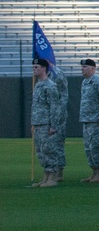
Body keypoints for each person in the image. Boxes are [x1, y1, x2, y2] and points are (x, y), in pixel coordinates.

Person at [30, 58, 62, 188]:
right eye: (33, 67)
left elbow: (54, 107)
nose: (34, 69)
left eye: (36, 67)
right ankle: (46, 176)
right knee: (41, 151)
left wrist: (53, 125)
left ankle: (52, 177)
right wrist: (33, 123)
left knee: (48, 149)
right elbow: (35, 106)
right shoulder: (38, 85)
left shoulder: (50, 86)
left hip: (46, 124)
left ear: (44, 68)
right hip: (38, 122)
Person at [79, 58, 99, 183]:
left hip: (96, 120)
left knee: (96, 147)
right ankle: (94, 171)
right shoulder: (85, 82)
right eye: (82, 67)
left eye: (85, 67)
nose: (82, 69)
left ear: (93, 68)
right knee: (88, 148)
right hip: (87, 119)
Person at [47, 60, 69, 182]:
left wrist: (58, 115)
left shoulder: (56, 74)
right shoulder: (44, 75)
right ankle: (50, 170)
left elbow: (62, 96)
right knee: (47, 144)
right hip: (47, 115)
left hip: (57, 114)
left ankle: (58, 170)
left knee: (57, 142)